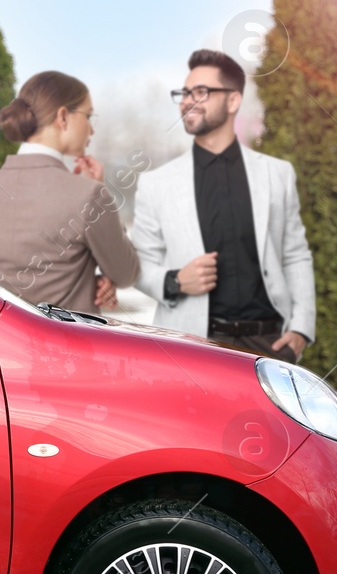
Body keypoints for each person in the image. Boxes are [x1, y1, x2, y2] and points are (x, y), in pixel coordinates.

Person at [129, 49, 315, 360]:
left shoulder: (278, 174)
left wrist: (301, 328)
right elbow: (137, 265)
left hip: (270, 345)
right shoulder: (156, 184)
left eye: (200, 92)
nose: (188, 101)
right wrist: (174, 281)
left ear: (233, 101)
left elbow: (295, 254)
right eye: (184, 93)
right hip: (190, 345)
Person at [0, 70, 139, 314]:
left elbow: (36, 270)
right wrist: (101, 195)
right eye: (88, 116)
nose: (91, 130)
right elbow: (126, 272)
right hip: (74, 347)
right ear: (63, 117)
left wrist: (87, 278)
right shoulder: (90, 195)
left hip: (8, 345)